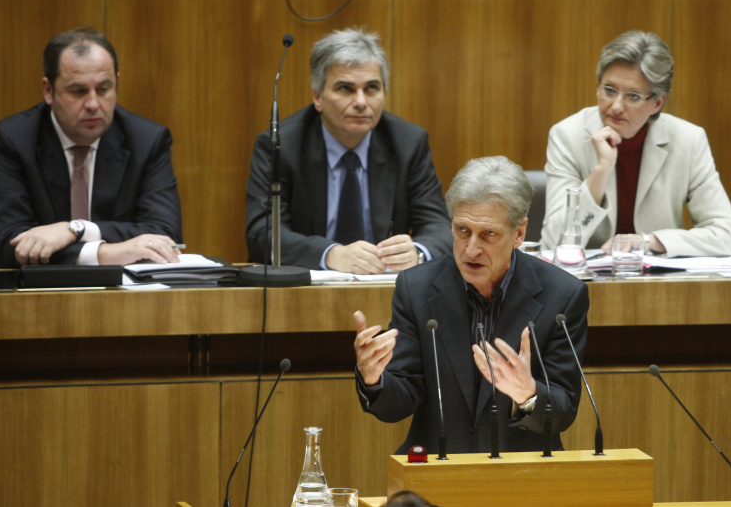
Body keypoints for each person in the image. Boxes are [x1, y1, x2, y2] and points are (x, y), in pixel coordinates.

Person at [354, 156, 588, 454]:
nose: (471, 249)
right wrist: (374, 379)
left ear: (519, 233)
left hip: (522, 477)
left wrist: (527, 394)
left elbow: (564, 411)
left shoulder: (562, 295)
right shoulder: (417, 288)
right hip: (437, 473)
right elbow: (398, 404)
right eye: (462, 231)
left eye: (488, 234)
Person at [246, 28, 451, 274]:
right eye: (346, 89)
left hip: (385, 291)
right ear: (318, 97)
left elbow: (439, 227)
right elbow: (262, 233)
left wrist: (417, 252)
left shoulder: (407, 142)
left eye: (372, 88)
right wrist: (331, 254)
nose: (361, 102)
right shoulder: (281, 145)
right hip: (305, 292)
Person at [540, 30, 731, 257]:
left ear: (657, 103)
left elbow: (726, 235)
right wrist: (601, 170)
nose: (616, 106)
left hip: (659, 284)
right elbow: (552, 243)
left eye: (633, 96)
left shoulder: (688, 140)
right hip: (586, 285)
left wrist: (649, 241)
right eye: (609, 90)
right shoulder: (568, 135)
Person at [0, 28, 183, 268]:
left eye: (104, 89)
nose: (93, 104)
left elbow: (166, 235)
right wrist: (105, 254)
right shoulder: (12, 140)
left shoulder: (147, 141)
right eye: (78, 91)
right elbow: (8, 242)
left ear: (117, 83)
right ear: (48, 90)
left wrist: (77, 230)